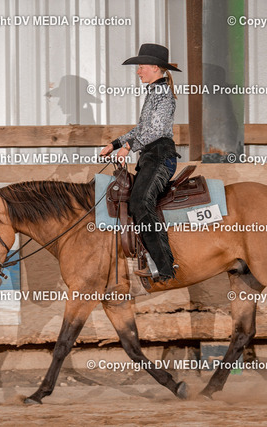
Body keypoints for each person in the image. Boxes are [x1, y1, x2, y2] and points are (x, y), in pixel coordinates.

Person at [100, 43, 181, 281]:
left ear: (155, 67)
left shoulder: (163, 95)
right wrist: (115, 144)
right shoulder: (155, 92)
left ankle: (164, 267)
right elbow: (141, 129)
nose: (138, 71)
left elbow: (154, 131)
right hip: (151, 157)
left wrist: (127, 147)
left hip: (160, 157)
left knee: (140, 202)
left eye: (141, 66)